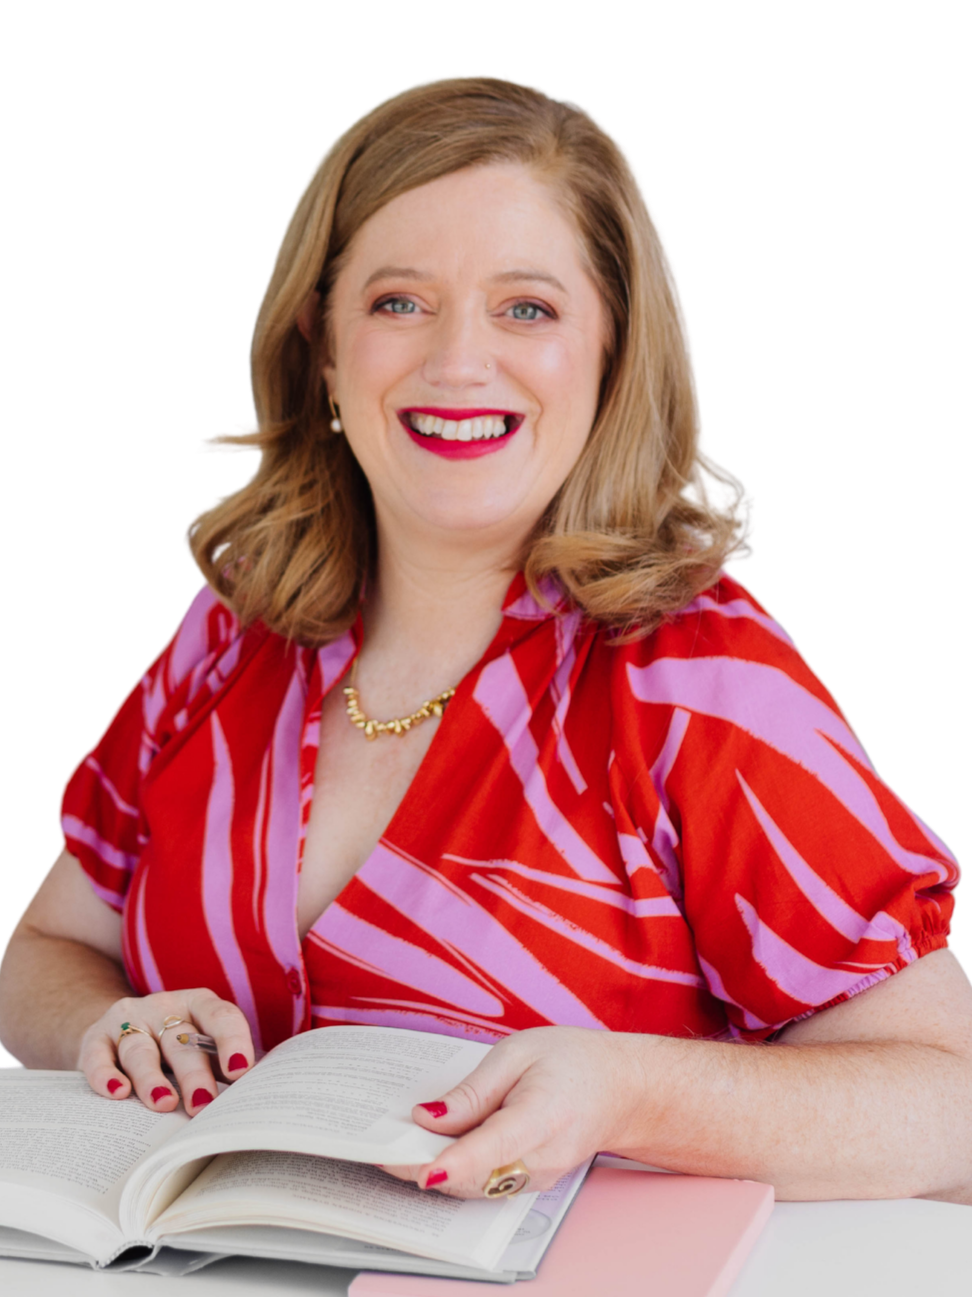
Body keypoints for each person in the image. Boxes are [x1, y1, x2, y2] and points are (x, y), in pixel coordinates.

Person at [1, 75, 969, 1208]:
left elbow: (950, 1105)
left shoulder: (703, 688)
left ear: (611, 354)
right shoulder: (235, 630)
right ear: (322, 349)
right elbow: (41, 952)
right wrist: (109, 1024)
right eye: (400, 302)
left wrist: (630, 1091)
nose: (459, 363)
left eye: (528, 309)